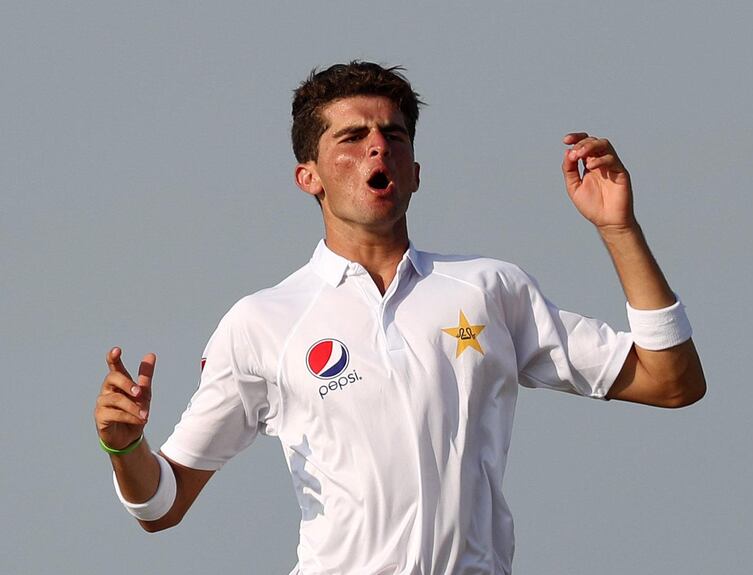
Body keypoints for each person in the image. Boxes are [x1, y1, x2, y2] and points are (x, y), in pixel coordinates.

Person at [94, 61, 705, 574]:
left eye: (394, 135)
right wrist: (125, 449)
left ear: (415, 172)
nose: (378, 146)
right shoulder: (262, 321)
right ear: (309, 177)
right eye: (352, 137)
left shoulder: (489, 287)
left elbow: (672, 382)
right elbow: (163, 505)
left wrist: (618, 229)